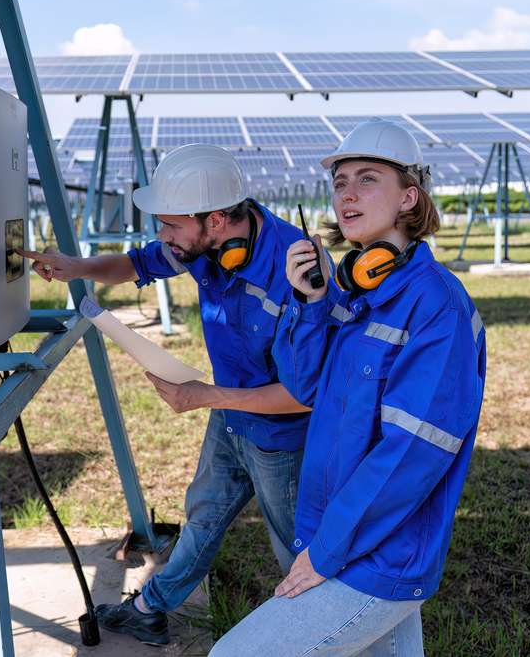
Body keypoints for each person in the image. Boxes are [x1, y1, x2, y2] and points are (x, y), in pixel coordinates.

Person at [210, 120, 487, 656]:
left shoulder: (437, 306)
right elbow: (306, 384)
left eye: (367, 179)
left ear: (409, 197)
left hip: (377, 552)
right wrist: (310, 304)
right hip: (345, 536)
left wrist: (325, 551)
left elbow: (412, 451)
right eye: (339, 183)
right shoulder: (353, 295)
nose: (347, 194)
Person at [17, 143, 310, 647]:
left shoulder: (294, 274)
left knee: (300, 551)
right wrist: (77, 266)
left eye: (171, 225)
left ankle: (320, 633)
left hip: (282, 434)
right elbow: (134, 264)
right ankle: (151, 608)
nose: (162, 236)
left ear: (216, 220)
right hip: (230, 412)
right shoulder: (196, 246)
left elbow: (305, 395)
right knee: (204, 513)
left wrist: (203, 396)